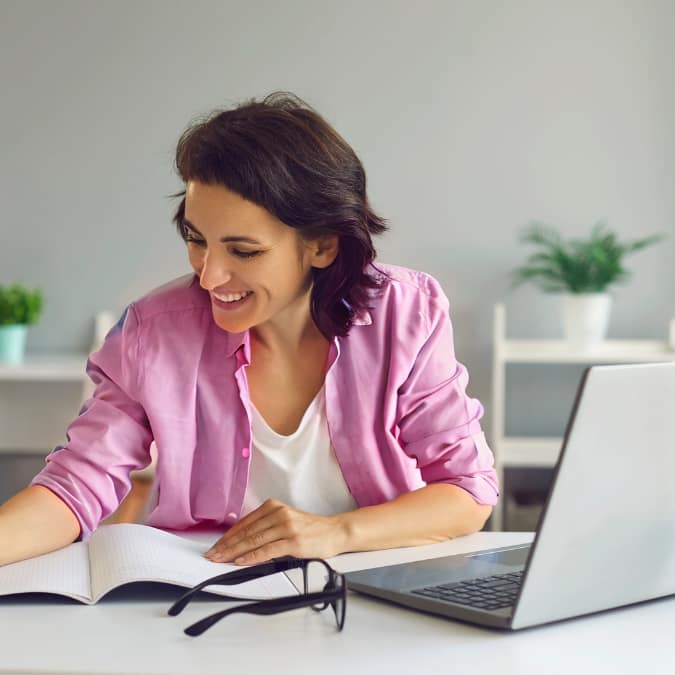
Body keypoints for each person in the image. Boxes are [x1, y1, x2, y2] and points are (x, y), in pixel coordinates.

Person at [0, 92, 498, 567]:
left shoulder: (404, 315)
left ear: (323, 246)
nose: (209, 276)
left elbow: (467, 491)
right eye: (196, 239)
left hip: (367, 591)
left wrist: (335, 533)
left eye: (243, 251)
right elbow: (74, 486)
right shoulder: (154, 331)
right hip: (202, 595)